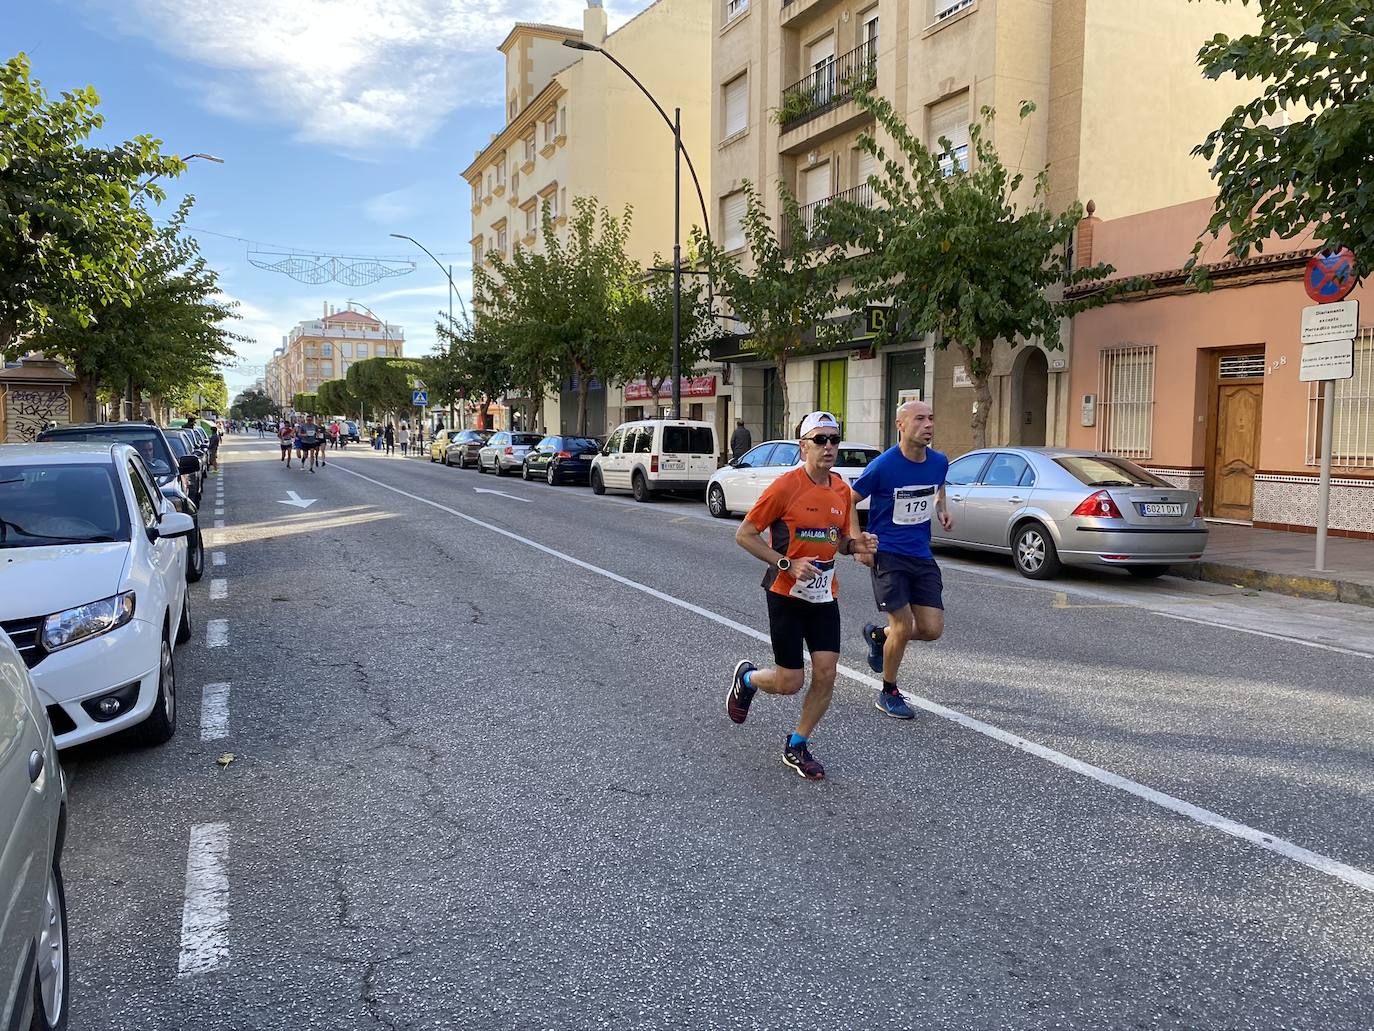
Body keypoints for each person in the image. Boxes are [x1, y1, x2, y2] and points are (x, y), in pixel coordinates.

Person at [726, 411, 878, 781]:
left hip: (824, 595)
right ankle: (747, 679)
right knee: (789, 681)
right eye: (820, 440)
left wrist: (854, 543)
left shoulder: (842, 489)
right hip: (785, 593)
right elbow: (744, 534)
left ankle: (797, 743)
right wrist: (785, 564)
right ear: (803, 446)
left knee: (826, 674)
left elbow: (836, 540)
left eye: (834, 440)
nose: (829, 447)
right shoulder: (785, 487)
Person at [849, 400, 953, 720]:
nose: (928, 425)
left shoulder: (939, 461)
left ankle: (879, 636)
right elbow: (848, 500)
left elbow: (938, 488)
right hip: (887, 553)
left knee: (932, 629)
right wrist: (859, 544)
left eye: (931, 419)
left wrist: (942, 509)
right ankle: (888, 691)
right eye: (920, 419)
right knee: (904, 625)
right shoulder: (883, 465)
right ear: (901, 425)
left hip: (920, 554)